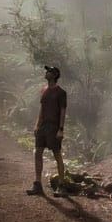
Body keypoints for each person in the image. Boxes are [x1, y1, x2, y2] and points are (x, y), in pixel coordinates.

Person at [26, 64, 67, 195]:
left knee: (57, 154)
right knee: (37, 152)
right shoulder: (44, 90)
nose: (46, 72)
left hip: (54, 127)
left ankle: (61, 185)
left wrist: (61, 129)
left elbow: (63, 111)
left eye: (49, 71)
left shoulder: (61, 92)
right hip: (43, 127)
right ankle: (37, 184)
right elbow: (41, 109)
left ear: (54, 75)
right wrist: (37, 125)